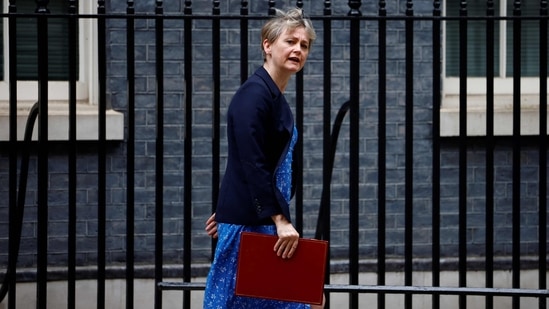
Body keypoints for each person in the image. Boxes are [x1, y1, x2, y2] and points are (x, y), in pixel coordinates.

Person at [203, 7, 324, 309]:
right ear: (267, 46)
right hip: (256, 225)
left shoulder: (270, 95)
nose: (298, 49)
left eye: (304, 45)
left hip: (259, 220)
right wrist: (280, 220)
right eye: (291, 41)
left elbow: (254, 162)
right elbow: (251, 162)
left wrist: (231, 206)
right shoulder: (253, 95)